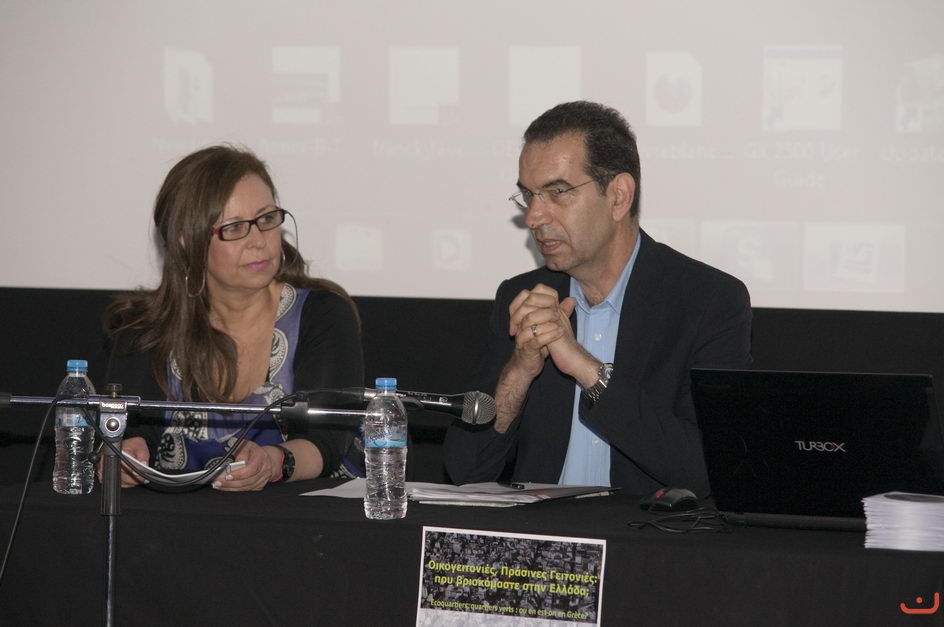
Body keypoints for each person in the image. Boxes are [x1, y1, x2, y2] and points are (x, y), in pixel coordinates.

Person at [443, 101, 752, 497]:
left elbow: (714, 468)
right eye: (528, 195)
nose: (534, 217)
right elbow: (465, 472)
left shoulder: (707, 301)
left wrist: (588, 371)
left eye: (557, 192)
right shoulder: (522, 298)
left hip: (645, 533)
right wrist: (519, 372)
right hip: (539, 532)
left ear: (619, 196)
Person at [104, 145, 365, 490]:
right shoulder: (145, 329)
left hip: (305, 513)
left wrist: (273, 462)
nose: (259, 241)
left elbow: (328, 441)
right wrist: (125, 455)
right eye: (235, 228)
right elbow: (134, 433)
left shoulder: (321, 314)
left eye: (266, 219)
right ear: (186, 242)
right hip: (178, 518)